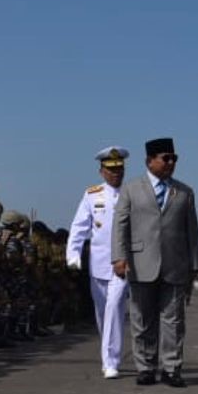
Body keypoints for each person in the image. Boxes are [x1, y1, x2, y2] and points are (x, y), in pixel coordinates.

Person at [111, 137, 198, 387]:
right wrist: (118, 258)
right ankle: (146, 367)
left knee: (173, 321)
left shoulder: (184, 192)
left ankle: (172, 368)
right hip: (141, 264)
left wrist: (195, 263)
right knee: (142, 320)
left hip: (175, 264)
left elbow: (192, 231)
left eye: (174, 158)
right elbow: (120, 226)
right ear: (149, 161)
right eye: (166, 158)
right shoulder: (131, 189)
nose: (171, 163)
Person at [66, 145, 129, 379]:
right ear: (101, 171)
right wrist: (72, 256)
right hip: (99, 263)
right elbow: (79, 227)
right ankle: (109, 351)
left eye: (120, 169)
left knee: (114, 306)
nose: (116, 174)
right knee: (103, 313)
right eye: (111, 170)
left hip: (123, 264)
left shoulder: (132, 193)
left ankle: (110, 361)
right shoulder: (92, 195)